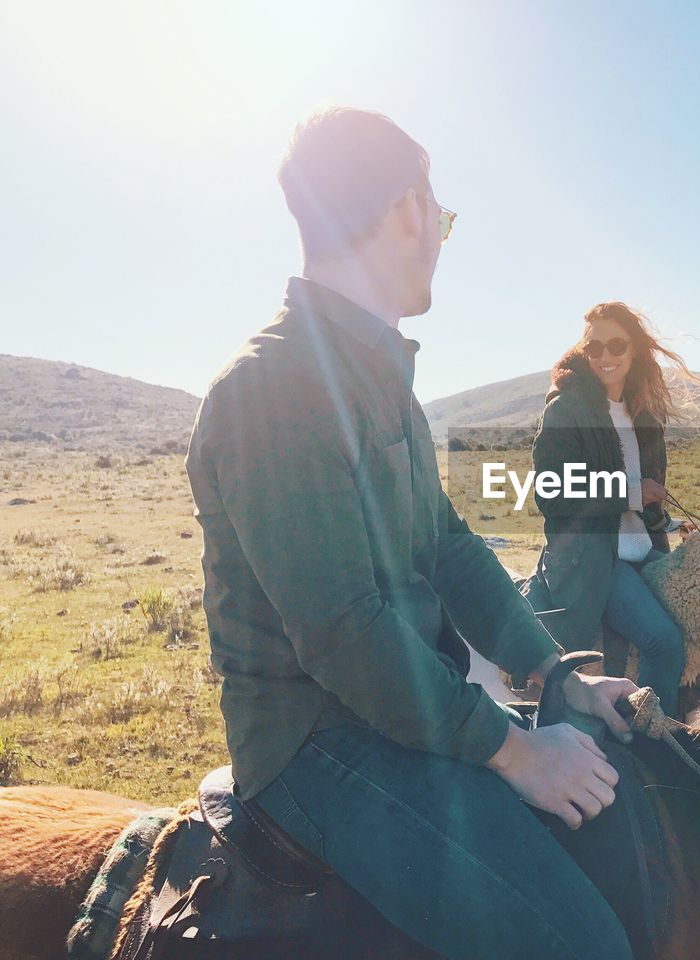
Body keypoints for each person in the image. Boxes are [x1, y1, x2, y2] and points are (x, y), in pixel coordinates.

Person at [185, 106, 637, 960]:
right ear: (406, 211)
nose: (441, 239)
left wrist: (556, 675)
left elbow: (452, 550)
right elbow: (345, 633)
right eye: (443, 218)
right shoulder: (274, 387)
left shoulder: (378, 376)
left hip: (396, 708)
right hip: (316, 742)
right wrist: (515, 751)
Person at [530, 302, 694, 716]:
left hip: (644, 553)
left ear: (634, 349)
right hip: (595, 561)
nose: (605, 356)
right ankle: (652, 745)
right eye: (594, 347)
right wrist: (630, 493)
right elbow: (552, 493)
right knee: (664, 641)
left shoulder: (643, 416)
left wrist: (668, 521)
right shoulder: (567, 409)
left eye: (616, 344)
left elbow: (643, 504)